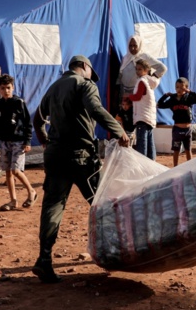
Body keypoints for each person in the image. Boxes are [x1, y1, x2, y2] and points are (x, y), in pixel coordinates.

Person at [32, 55, 130, 283]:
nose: (90, 77)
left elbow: (37, 119)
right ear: (85, 67)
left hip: (55, 155)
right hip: (81, 157)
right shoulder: (85, 85)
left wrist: (45, 141)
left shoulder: (54, 87)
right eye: (90, 73)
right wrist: (119, 131)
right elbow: (95, 109)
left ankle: (44, 259)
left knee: (53, 207)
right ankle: (114, 253)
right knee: (102, 203)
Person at [0, 73, 36, 211]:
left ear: (13, 87)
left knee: (16, 170)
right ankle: (13, 201)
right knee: (8, 172)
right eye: (3, 88)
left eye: (8, 88)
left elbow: (28, 123)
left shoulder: (18, 103)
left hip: (18, 141)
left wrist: (27, 141)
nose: (6, 91)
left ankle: (31, 191)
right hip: (4, 142)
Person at [157, 77, 196, 166]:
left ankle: (190, 167)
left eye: (182, 87)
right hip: (177, 129)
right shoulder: (172, 99)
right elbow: (159, 105)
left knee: (188, 150)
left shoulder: (188, 98)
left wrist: (190, 92)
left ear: (186, 88)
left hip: (188, 129)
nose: (179, 89)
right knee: (176, 150)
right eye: (177, 87)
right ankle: (175, 167)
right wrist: (165, 95)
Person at [117, 34, 167, 98]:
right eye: (130, 45)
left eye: (135, 46)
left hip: (138, 91)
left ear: (139, 45)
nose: (132, 48)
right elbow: (120, 74)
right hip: (124, 91)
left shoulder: (144, 56)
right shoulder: (125, 58)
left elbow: (162, 68)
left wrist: (151, 78)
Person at [127, 59, 157, 160]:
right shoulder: (149, 82)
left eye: (140, 69)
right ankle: (152, 164)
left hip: (142, 117)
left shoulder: (141, 81)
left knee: (142, 145)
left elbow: (138, 96)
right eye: (137, 69)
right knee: (150, 143)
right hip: (148, 117)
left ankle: (143, 164)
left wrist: (128, 97)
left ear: (146, 70)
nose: (137, 71)